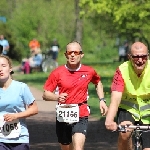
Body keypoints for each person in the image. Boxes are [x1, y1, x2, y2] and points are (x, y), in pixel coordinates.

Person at [42, 41, 108, 150]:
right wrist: (56, 97)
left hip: (81, 113)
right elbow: (45, 94)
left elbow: (98, 82)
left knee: (78, 148)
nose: (72, 55)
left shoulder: (89, 71)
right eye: (70, 52)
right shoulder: (57, 72)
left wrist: (102, 100)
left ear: (81, 55)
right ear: (65, 55)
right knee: (66, 147)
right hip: (63, 114)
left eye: (76, 52)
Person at [105, 42, 150, 150]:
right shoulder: (122, 70)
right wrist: (109, 119)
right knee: (124, 133)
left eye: (143, 57)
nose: (140, 60)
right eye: (136, 57)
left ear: (148, 56)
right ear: (129, 57)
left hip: (148, 111)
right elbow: (115, 99)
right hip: (128, 109)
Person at [0, 55, 38, 150]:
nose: (0, 69)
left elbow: (34, 109)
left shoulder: (21, 87)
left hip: (19, 139)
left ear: (10, 68)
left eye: (3, 66)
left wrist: (16, 116)